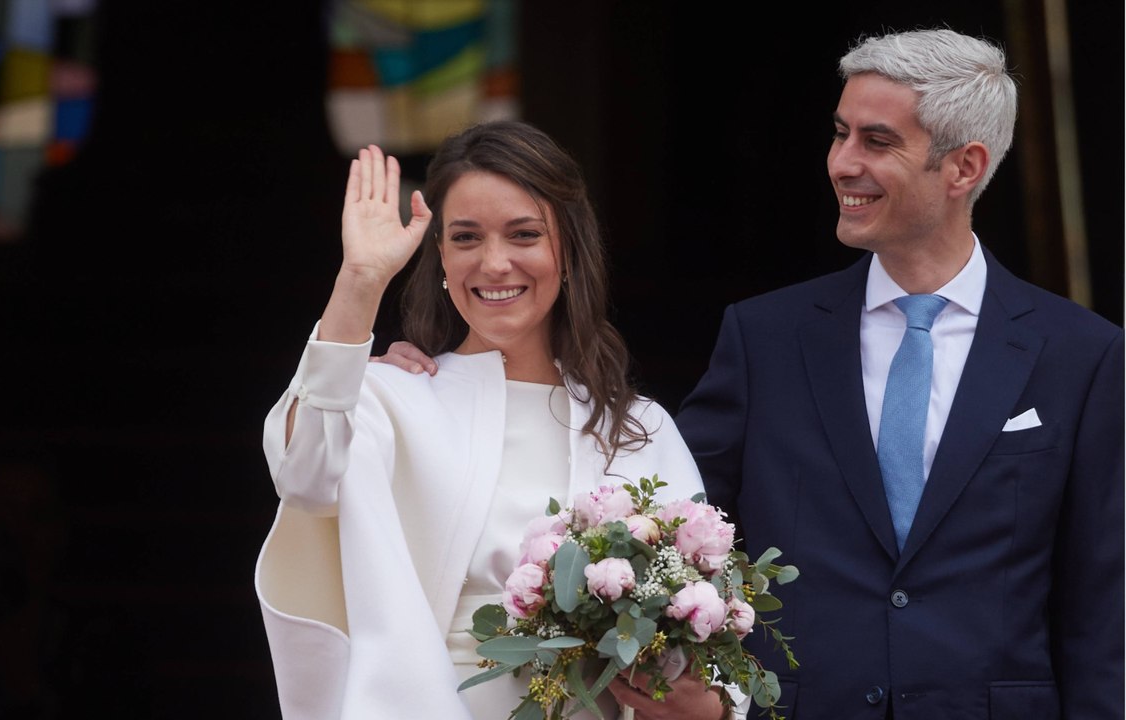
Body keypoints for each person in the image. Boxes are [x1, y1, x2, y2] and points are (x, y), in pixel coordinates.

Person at [672, 28, 1124, 719]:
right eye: (840, 133)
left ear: (964, 167)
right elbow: (673, 525)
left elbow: (1103, 604)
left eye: (877, 142)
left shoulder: (1083, 355)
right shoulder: (763, 338)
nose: (841, 163)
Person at [254, 121, 728, 719]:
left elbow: (709, 649)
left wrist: (704, 703)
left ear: (569, 248)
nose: (495, 262)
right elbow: (301, 473)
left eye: (524, 234)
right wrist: (361, 281)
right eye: (467, 237)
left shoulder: (640, 426)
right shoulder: (389, 394)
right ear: (442, 256)